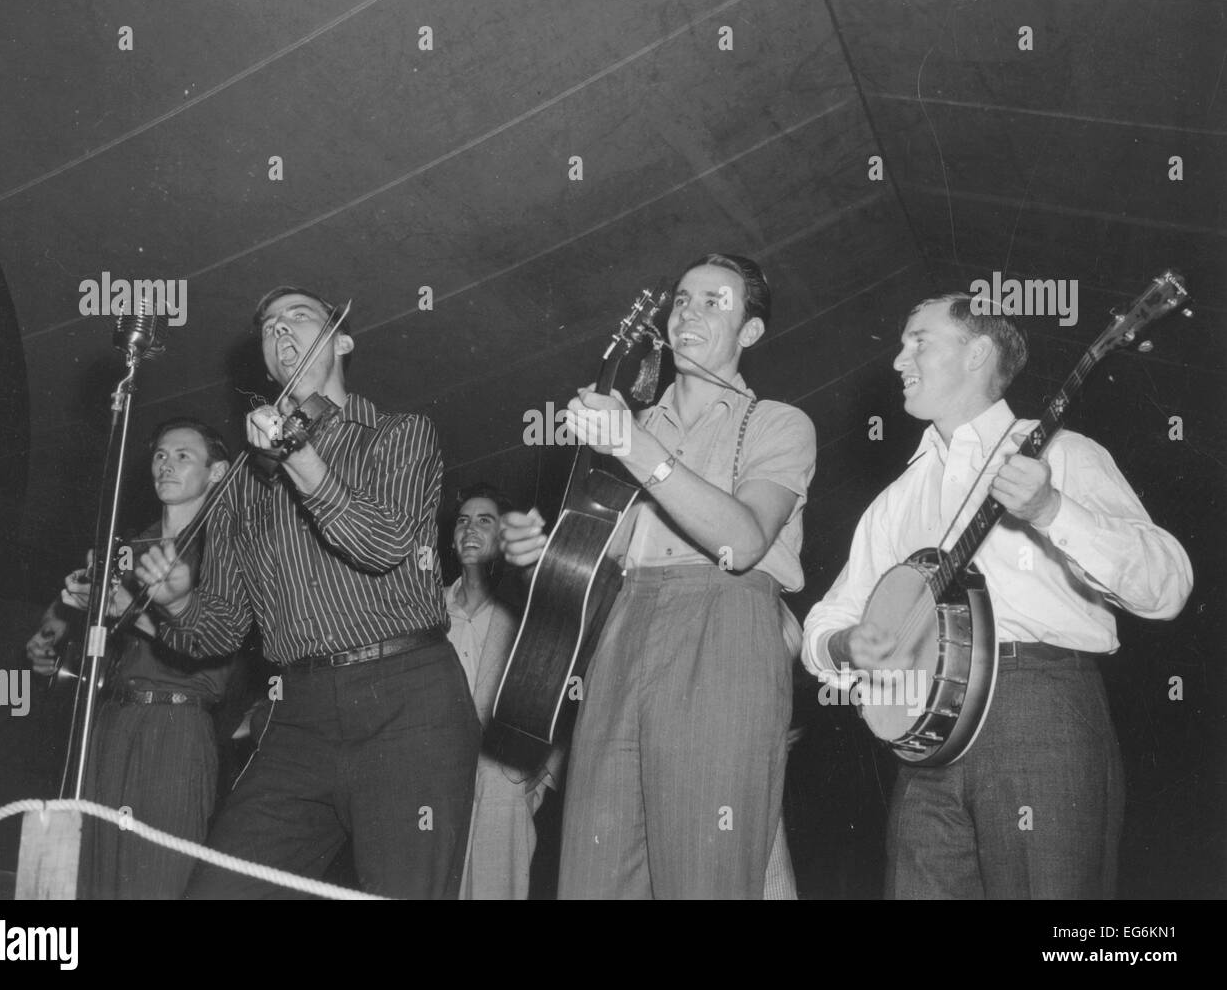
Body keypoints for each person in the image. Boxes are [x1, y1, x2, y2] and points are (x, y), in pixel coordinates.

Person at [801, 292, 1193, 899]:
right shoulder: (896, 500)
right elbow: (828, 618)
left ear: (978, 352)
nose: (899, 359)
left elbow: (1167, 586)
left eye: (919, 342)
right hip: (923, 746)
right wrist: (847, 644)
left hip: (1037, 712)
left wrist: (1051, 509)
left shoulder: (1062, 452)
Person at [135, 286, 479, 900]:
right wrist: (179, 602)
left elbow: (380, 544)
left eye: (301, 317)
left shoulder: (398, 434)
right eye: (269, 325)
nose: (282, 329)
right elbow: (222, 631)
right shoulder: (241, 482)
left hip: (408, 700)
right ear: (265, 361)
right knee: (218, 892)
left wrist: (299, 454)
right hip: (299, 713)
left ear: (342, 340)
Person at [502, 254, 816, 899]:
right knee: (595, 871)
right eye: (681, 299)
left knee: (704, 870)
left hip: (724, 619)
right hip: (624, 628)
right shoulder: (631, 426)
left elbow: (744, 541)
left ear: (750, 332)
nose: (689, 312)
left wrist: (634, 448)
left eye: (714, 302)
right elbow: (599, 556)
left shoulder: (779, 423)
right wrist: (541, 549)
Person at [29, 418, 237, 898]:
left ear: (218, 472)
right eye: (160, 454)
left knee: (155, 877)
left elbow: (212, 652)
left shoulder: (227, 550)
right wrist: (70, 624)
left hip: (175, 727)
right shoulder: (131, 547)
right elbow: (109, 643)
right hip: (114, 721)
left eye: (183, 455)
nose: (165, 464)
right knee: (95, 875)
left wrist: (127, 612)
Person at [445, 482, 561, 899]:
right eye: (462, 521)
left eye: (484, 521)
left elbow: (561, 692)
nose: (469, 529)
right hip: (439, 779)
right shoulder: (427, 609)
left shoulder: (528, 610)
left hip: (501, 782)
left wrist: (542, 772)